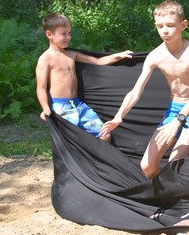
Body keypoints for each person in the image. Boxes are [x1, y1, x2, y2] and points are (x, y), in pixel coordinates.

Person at [99, 0, 189, 179]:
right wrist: (119, 116)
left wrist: (178, 121)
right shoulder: (155, 55)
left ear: (183, 25)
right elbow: (136, 91)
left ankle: (175, 191)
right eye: (159, 26)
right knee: (147, 166)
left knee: (174, 164)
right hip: (174, 108)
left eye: (170, 25)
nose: (165, 31)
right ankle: (166, 190)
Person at [35, 12, 133, 143]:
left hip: (78, 105)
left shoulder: (72, 54)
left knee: (104, 134)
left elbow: (98, 61)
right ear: (49, 34)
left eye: (69, 33)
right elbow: (41, 88)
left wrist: (119, 56)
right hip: (61, 107)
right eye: (63, 34)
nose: (68, 37)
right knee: (75, 142)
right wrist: (46, 109)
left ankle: (101, 157)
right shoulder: (46, 59)